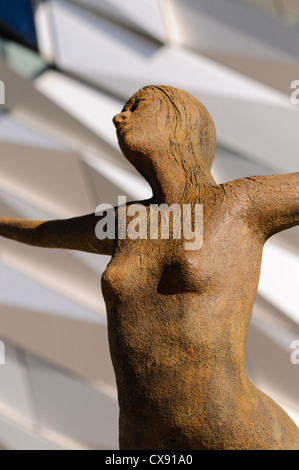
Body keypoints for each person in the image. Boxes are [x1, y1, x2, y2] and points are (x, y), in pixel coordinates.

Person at [0, 85, 298, 450]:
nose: (118, 117)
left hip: (234, 431)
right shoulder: (128, 222)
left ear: (180, 120)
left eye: (137, 106)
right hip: (141, 435)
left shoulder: (241, 204)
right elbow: (40, 233)